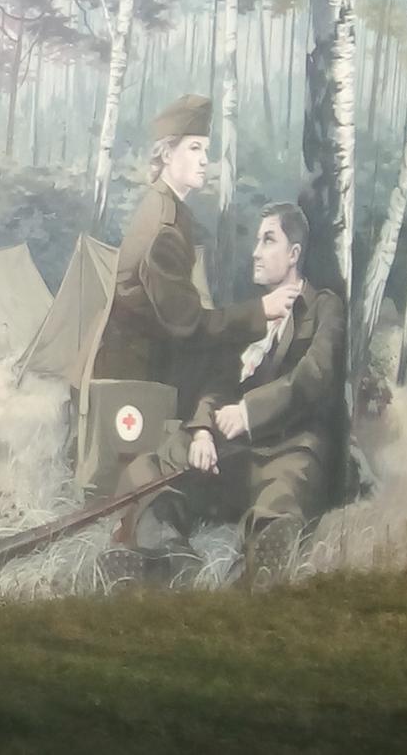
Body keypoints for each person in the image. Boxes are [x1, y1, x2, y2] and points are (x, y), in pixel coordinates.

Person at [116, 201, 345, 585]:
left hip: (288, 450)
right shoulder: (251, 315)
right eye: (256, 240)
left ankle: (252, 577)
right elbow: (219, 381)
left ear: (294, 254)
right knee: (146, 469)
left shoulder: (324, 307)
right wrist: (203, 430)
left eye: (267, 240)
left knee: (282, 499)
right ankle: (170, 558)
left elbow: (315, 376)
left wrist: (249, 412)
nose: (255, 251)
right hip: (231, 456)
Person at [94, 94, 241, 412]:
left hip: (142, 368)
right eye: (194, 148)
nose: (205, 160)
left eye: (206, 149)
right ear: (166, 153)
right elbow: (186, 321)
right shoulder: (164, 224)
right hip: (132, 382)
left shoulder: (168, 207)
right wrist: (257, 315)